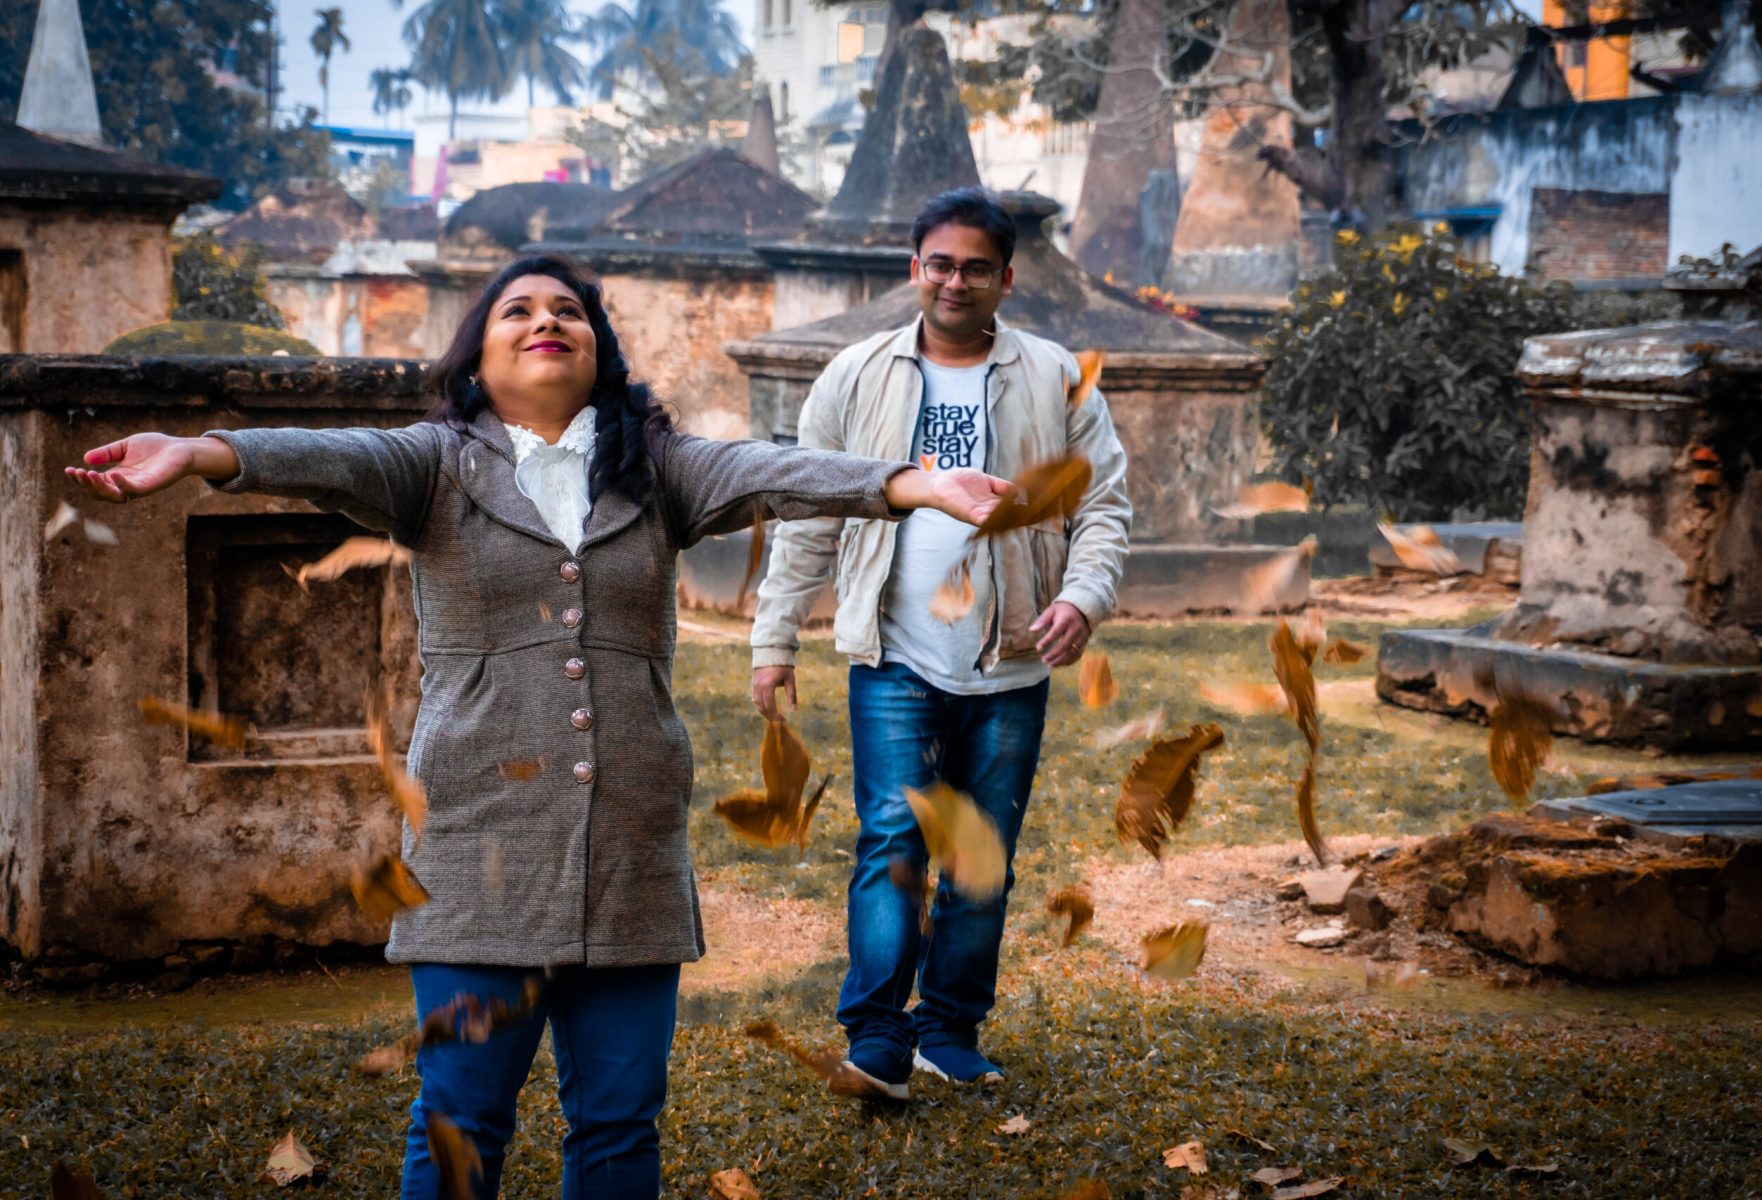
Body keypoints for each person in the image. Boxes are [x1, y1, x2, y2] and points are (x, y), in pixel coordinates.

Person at [66, 255, 1013, 1199]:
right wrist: (203, 453)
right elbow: (335, 455)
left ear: (599, 350)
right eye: (516, 311)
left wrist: (911, 483)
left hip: (630, 846)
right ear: (478, 358)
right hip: (476, 842)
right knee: (463, 1118)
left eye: (568, 310)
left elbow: (771, 470)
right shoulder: (433, 463)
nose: (545, 321)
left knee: (620, 1123)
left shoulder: (656, 468)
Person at [749, 188, 1131, 1098]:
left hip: (1011, 658)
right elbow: (809, 510)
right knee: (892, 843)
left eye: (975, 268)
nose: (955, 282)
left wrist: (1083, 598)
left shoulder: (1055, 377)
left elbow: (1103, 506)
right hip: (894, 653)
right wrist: (775, 637)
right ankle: (878, 1037)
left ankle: (949, 1030)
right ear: (914, 268)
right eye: (940, 264)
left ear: (1007, 278)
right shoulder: (854, 374)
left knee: (981, 857)